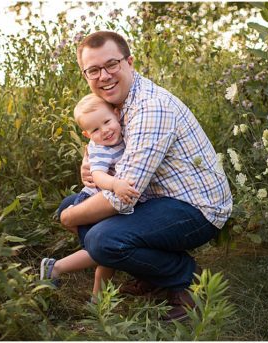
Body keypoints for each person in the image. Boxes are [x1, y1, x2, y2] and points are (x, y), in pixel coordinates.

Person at [58, 31, 232, 321]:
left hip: (196, 207)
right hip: (156, 198)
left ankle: (187, 281)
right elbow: (100, 142)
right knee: (71, 205)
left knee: (101, 239)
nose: (104, 75)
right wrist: (87, 162)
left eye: (111, 64)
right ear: (85, 74)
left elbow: (121, 200)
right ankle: (152, 272)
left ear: (129, 62)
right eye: (93, 70)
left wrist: (69, 220)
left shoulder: (151, 108)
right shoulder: (115, 103)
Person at [40, 93, 139, 297]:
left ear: (117, 114)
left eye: (107, 122)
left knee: (106, 255)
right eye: (95, 129)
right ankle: (62, 273)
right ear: (86, 134)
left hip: (108, 198)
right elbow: (98, 176)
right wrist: (115, 184)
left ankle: (94, 300)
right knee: (105, 250)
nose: (105, 131)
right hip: (95, 199)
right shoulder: (102, 148)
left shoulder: (125, 136)